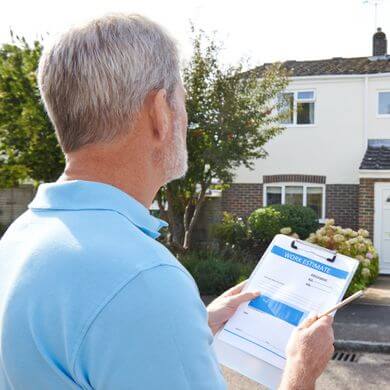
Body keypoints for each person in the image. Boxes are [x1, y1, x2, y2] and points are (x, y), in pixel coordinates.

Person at [0, 14, 334, 389]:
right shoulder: (143, 281)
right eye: (182, 102)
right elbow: (126, 304)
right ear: (159, 112)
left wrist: (190, 325)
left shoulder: (20, 238)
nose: (186, 119)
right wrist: (300, 371)